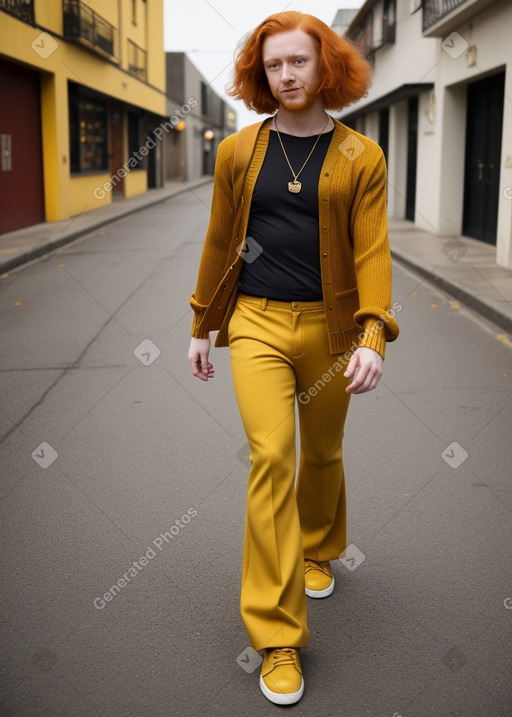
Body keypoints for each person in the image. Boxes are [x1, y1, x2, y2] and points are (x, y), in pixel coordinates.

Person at [188, 10, 399, 706]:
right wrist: (201, 323)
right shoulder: (238, 152)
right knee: (273, 458)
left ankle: (319, 547)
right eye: (274, 64)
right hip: (255, 325)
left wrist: (373, 332)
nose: (287, 75)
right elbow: (222, 242)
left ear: (325, 65)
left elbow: (371, 251)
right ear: (260, 73)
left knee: (325, 450)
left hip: (333, 328)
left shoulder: (360, 157)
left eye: (298, 62)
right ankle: (278, 633)